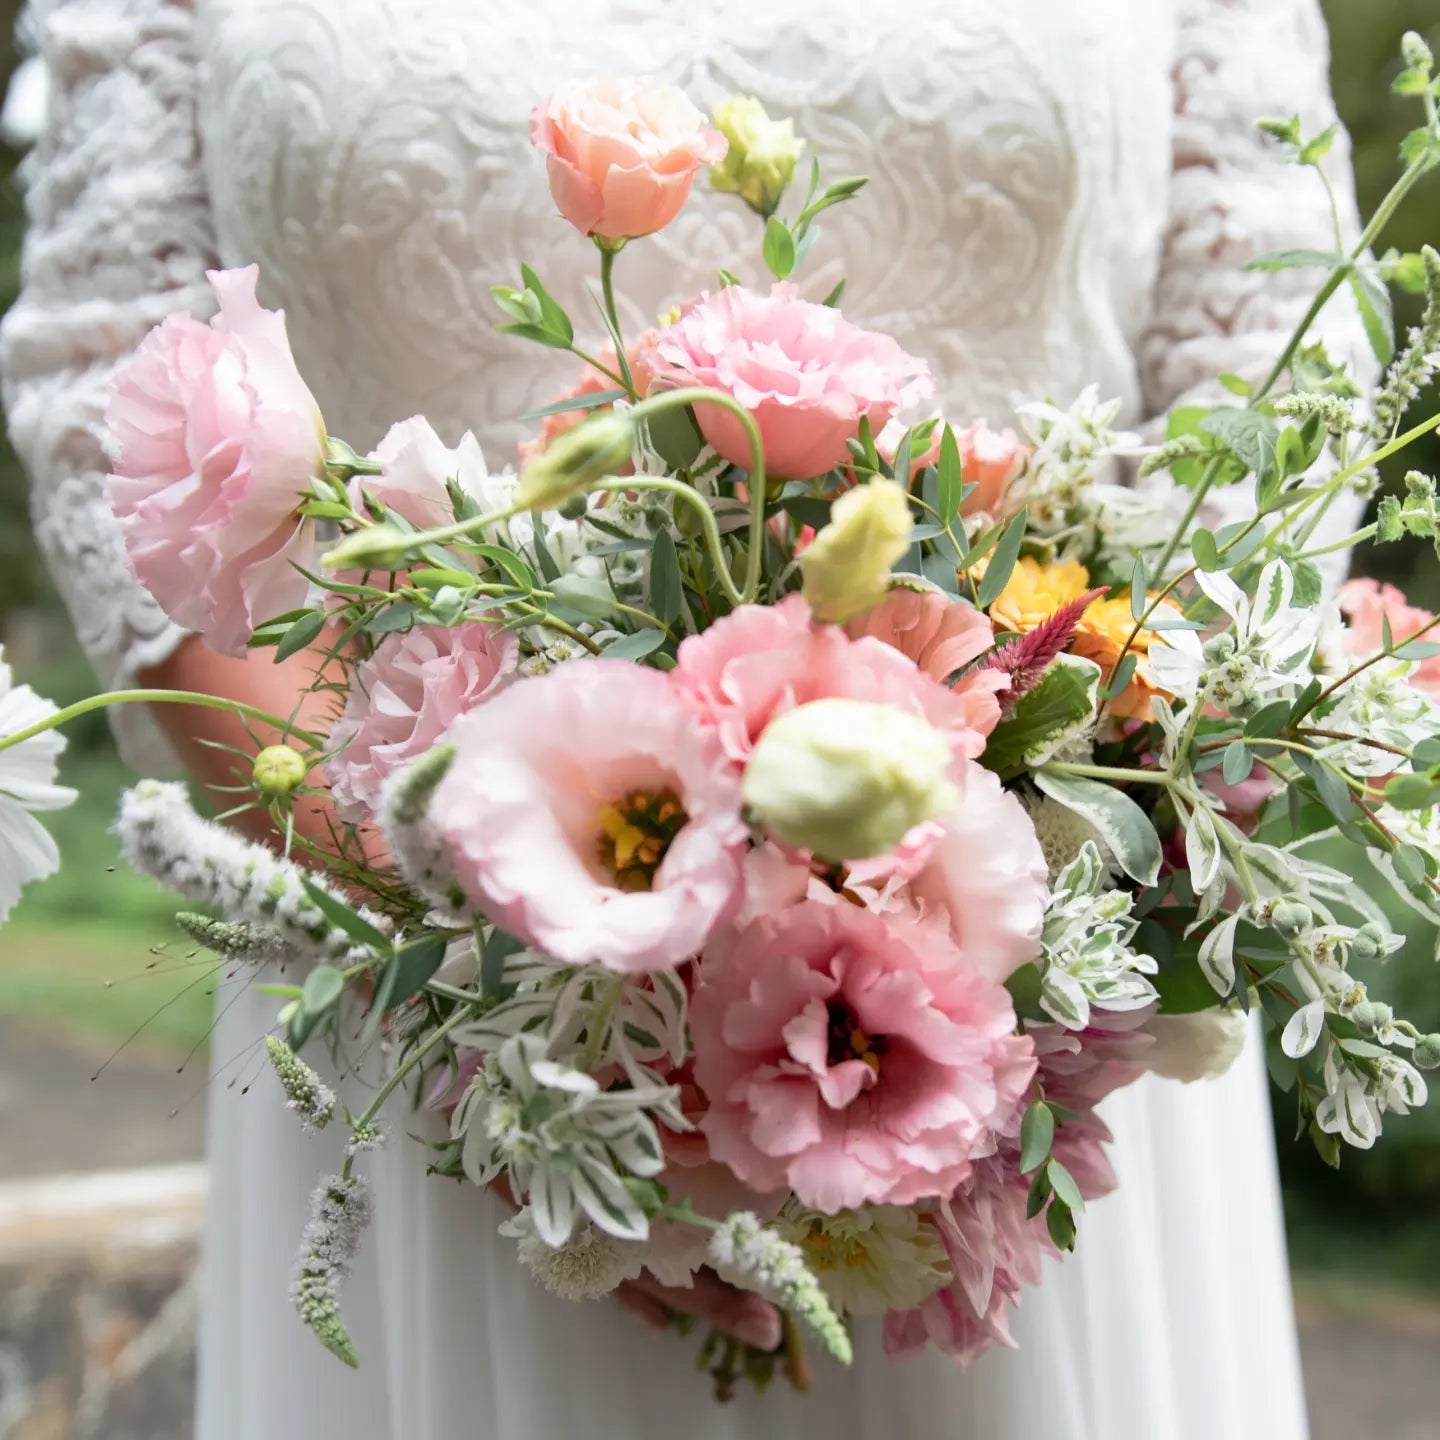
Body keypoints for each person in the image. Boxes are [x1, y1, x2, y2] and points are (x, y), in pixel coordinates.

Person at [2, 2, 1374, 1436]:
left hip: (1030, 1016)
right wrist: (503, 975)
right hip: (443, 1041)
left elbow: (1280, 352)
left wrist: (1059, 847)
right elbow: (110, 378)